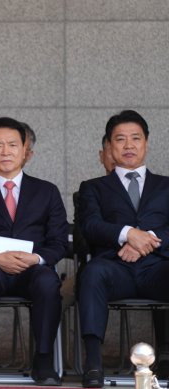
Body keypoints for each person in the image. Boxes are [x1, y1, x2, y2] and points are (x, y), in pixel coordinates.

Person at [0, 117, 68, 385]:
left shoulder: (47, 191)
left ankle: (43, 360)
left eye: (12, 145)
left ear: (25, 150)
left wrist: (37, 258)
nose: (5, 152)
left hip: (32, 268)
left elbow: (59, 241)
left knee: (47, 281)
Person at [77, 110, 169, 388]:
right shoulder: (93, 187)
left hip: (159, 268)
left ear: (147, 143)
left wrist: (146, 239)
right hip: (114, 268)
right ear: (109, 146)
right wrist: (127, 234)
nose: (128, 145)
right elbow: (90, 226)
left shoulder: (166, 186)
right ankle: (94, 363)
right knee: (91, 273)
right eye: (120, 139)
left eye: (135, 138)